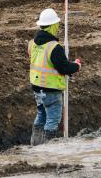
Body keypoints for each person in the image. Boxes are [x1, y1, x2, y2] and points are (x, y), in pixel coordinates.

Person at [28, 8, 81, 145]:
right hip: (51, 89)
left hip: (37, 88)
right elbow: (64, 68)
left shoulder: (32, 43)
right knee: (52, 119)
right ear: (52, 26)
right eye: (57, 24)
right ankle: (47, 148)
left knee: (41, 115)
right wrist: (76, 66)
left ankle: (35, 144)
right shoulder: (54, 47)